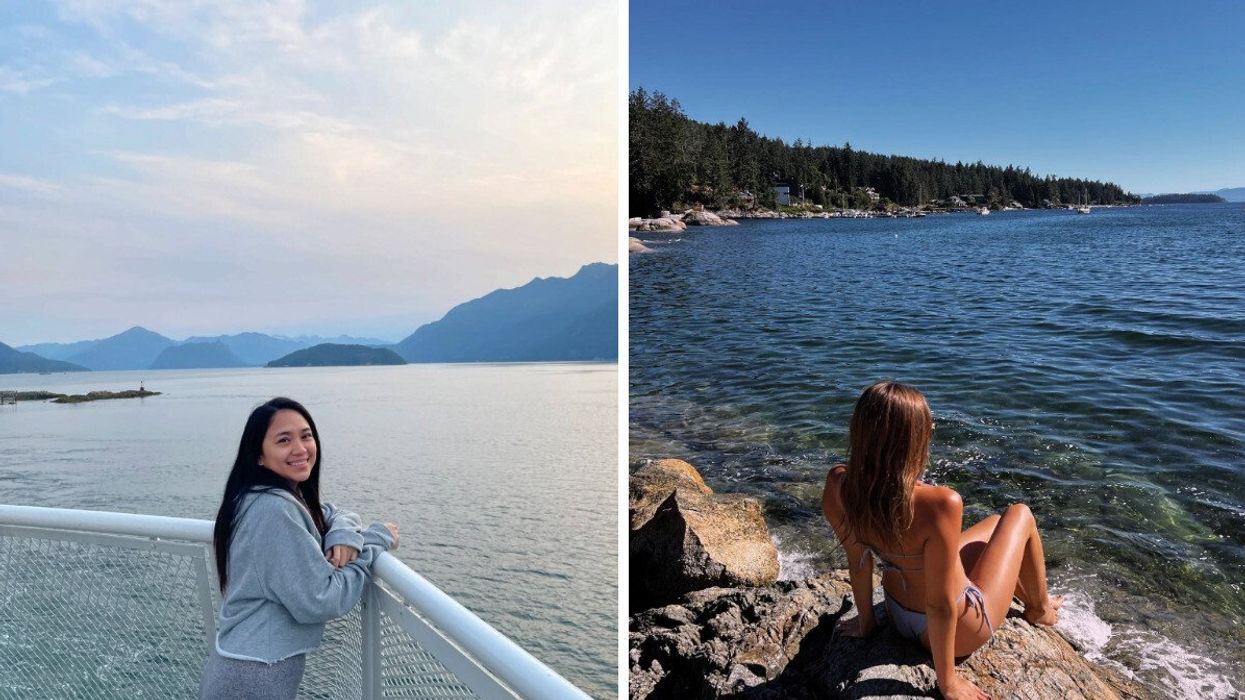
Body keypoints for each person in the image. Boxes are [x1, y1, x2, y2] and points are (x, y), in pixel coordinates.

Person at [821, 381, 1063, 700]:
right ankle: (1039, 610)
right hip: (959, 630)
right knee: (1019, 514)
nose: (932, 427)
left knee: (993, 524)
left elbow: (859, 562)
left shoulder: (840, 483)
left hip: (896, 613)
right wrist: (947, 682)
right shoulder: (942, 503)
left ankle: (1021, 591)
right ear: (912, 438)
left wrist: (867, 623)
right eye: (927, 424)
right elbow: (940, 603)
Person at [200, 397, 399, 700]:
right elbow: (320, 599)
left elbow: (330, 512)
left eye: (306, 436)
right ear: (259, 455)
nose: (301, 449)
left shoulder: (266, 496)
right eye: (284, 440)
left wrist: (344, 536)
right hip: (253, 678)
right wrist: (374, 542)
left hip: (243, 666)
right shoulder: (272, 510)